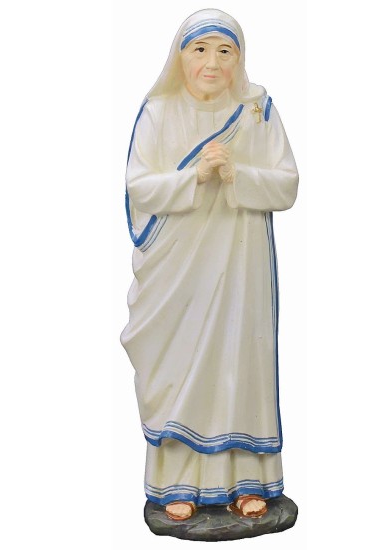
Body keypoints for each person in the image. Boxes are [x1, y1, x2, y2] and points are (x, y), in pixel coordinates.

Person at [121, 8, 298, 521]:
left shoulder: (257, 111)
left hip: (240, 263)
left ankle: (247, 482)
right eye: (200, 50)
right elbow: (138, 186)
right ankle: (176, 483)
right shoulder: (159, 112)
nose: (212, 63)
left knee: (238, 361)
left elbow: (287, 184)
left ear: (239, 58)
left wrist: (238, 173)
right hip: (177, 270)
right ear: (180, 57)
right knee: (181, 365)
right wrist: (194, 177)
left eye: (225, 51)